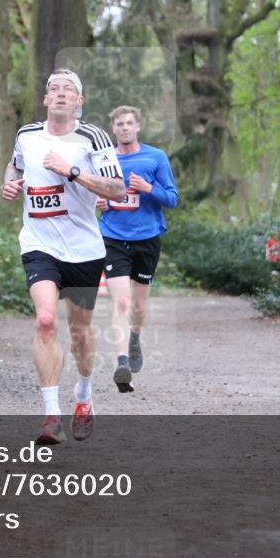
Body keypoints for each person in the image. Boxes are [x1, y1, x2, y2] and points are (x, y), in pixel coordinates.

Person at [2, 69, 125, 444]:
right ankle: (50, 414)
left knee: (80, 331)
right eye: (53, 89)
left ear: (79, 102)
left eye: (68, 90)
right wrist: (8, 182)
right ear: (45, 99)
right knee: (44, 321)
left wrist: (71, 171)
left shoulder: (92, 137)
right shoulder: (27, 135)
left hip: (84, 248)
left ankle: (83, 398)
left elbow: (117, 190)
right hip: (39, 243)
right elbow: (15, 164)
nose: (59, 94)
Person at [95, 106, 179, 393]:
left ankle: (134, 338)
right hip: (113, 237)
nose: (125, 127)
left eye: (130, 123)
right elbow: (91, 192)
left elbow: (172, 198)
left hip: (147, 238)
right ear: (114, 129)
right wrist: (100, 201)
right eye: (120, 124)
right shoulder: (104, 161)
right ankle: (121, 363)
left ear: (138, 127)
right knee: (121, 302)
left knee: (139, 306)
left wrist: (148, 188)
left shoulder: (155, 157)